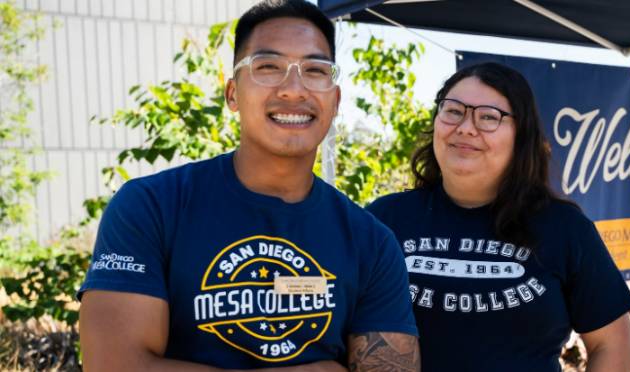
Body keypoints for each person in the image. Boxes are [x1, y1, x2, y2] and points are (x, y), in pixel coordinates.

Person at [78, 1, 419, 371]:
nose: (293, 89)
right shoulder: (151, 206)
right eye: (268, 67)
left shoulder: (371, 242)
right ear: (232, 94)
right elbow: (115, 365)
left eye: (315, 70)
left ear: (335, 101)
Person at [366, 62, 630, 371]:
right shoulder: (384, 220)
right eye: (453, 111)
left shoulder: (566, 228)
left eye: (488, 117)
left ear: (521, 136)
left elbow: (612, 344)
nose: (466, 127)